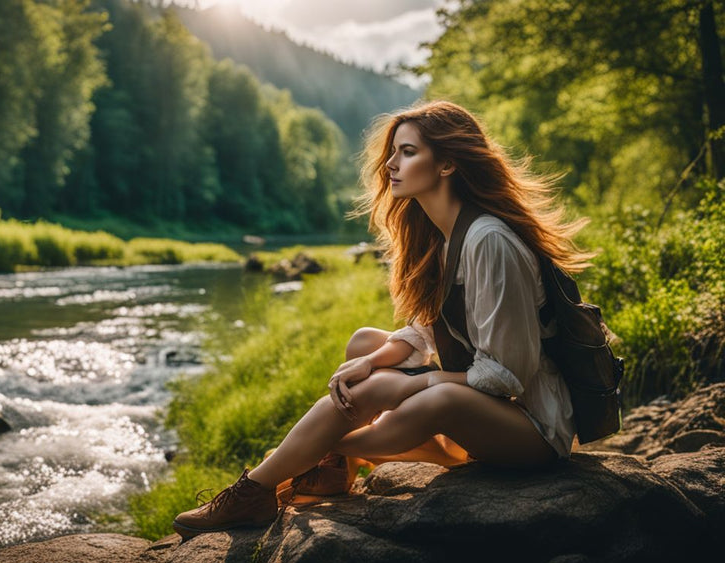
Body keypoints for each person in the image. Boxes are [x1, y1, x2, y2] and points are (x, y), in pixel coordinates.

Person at [172, 100, 593, 540]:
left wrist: (414, 384)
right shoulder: (445, 237)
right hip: (482, 423)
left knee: (429, 397)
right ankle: (322, 461)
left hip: (532, 432)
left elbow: (508, 374)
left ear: (447, 163)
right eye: (393, 151)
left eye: (407, 152)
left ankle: (276, 477)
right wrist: (373, 363)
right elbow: (426, 332)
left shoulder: (488, 240)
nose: (390, 163)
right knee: (363, 345)